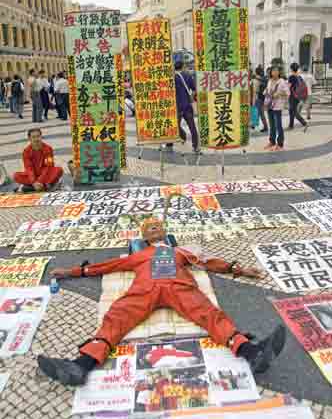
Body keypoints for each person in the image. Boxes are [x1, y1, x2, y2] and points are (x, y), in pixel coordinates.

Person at [37, 208, 286, 387]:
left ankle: (252, 353)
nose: (156, 229)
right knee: (117, 316)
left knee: (209, 314)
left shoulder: (179, 251)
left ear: (165, 233)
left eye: (158, 227)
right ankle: (80, 366)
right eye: (150, 228)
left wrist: (237, 268)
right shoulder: (138, 256)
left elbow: (207, 263)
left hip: (180, 287)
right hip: (144, 289)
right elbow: (108, 266)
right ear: (144, 237)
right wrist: (73, 271)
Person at [13, 128, 63, 192]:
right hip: (33, 175)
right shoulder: (26, 151)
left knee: (59, 170)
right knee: (16, 176)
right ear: (29, 138)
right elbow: (28, 168)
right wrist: (34, 182)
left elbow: (49, 166)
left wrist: (40, 181)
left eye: (38, 136)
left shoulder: (48, 148)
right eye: (33, 137)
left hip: (45, 175)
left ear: (41, 137)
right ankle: (44, 186)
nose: (36, 139)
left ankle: (30, 187)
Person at [166, 61, 200, 153]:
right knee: (192, 126)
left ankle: (171, 144)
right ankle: (196, 146)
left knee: (174, 126)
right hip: (187, 106)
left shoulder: (172, 77)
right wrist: (192, 97)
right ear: (183, 66)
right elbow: (194, 89)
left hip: (176, 106)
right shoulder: (188, 76)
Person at [264, 66, 289, 151]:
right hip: (269, 105)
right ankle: (272, 142)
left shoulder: (282, 82)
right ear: (270, 72)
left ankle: (280, 144)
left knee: (278, 125)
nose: (274, 72)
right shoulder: (269, 81)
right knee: (271, 125)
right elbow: (267, 90)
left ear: (279, 72)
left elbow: (288, 93)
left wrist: (279, 94)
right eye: (273, 71)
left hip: (277, 106)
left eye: (276, 71)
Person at [288, 63, 308, 131]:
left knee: (294, 111)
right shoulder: (299, 77)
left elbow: (289, 86)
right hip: (298, 96)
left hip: (292, 96)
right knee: (291, 110)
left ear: (291, 69)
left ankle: (304, 123)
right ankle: (291, 125)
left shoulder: (291, 77)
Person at [254, 65, 268, 132]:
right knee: (258, 112)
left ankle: (265, 126)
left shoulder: (256, 80)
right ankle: (254, 124)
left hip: (258, 97)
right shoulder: (263, 79)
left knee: (260, 112)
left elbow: (256, 90)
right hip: (262, 98)